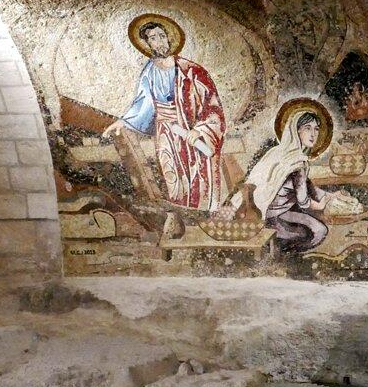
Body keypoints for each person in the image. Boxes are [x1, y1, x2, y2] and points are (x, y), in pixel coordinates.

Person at [104, 18, 226, 212]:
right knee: (171, 174)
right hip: (165, 131)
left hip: (189, 128)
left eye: (162, 36)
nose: (159, 41)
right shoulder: (149, 71)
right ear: (147, 44)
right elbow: (143, 102)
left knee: (196, 171)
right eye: (153, 38)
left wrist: (201, 129)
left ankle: (201, 212)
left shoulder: (191, 70)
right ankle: (182, 213)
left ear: (170, 38)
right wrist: (124, 122)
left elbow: (212, 106)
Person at [241, 103, 343, 253]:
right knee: (319, 231)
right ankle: (287, 258)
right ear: (296, 130)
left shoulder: (279, 152)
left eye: (316, 129)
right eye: (307, 128)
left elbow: (309, 187)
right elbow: (304, 202)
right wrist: (321, 204)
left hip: (269, 213)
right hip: (272, 219)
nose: (313, 134)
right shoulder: (297, 163)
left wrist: (331, 195)